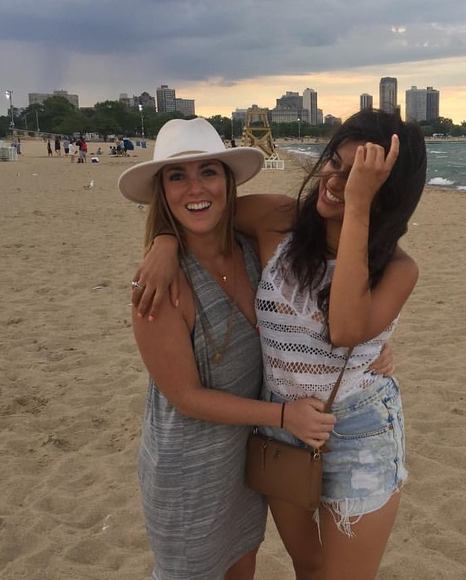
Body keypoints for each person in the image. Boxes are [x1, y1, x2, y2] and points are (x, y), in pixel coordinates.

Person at [135, 109, 426, 579]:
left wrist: (357, 208)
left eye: (357, 177)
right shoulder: (278, 218)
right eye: (335, 163)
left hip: (358, 429)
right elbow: (201, 210)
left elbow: (345, 330)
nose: (335, 182)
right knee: (307, 565)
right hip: (279, 425)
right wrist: (164, 242)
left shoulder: (398, 269)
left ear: (387, 192)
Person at [118, 118, 343, 580]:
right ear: (162, 191)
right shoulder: (160, 287)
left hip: (243, 466)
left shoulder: (254, 247)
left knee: (242, 569)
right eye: (177, 176)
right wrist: (285, 416)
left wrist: (374, 347)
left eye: (208, 172)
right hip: (188, 474)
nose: (195, 188)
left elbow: (314, 224)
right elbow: (187, 398)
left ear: (227, 180)